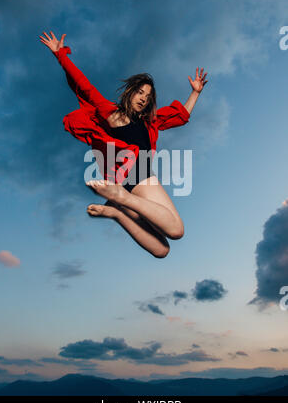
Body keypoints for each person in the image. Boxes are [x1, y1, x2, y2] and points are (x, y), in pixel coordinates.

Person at [39, 31, 208, 258]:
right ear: (130, 92)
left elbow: (179, 116)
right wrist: (61, 55)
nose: (143, 98)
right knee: (176, 230)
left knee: (161, 250)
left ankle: (116, 211)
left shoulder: (149, 121)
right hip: (138, 176)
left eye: (147, 96)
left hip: (127, 184)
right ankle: (120, 198)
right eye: (140, 92)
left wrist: (195, 93)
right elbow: (84, 85)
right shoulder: (113, 114)